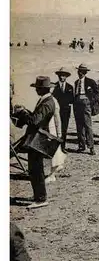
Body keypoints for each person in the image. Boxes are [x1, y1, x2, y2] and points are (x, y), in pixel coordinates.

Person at [12, 76, 56, 209]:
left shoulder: (47, 102)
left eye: (38, 88)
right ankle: (39, 196)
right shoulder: (46, 100)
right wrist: (26, 112)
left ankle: (41, 198)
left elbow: (34, 121)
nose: (36, 90)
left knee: (36, 169)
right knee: (35, 169)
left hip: (38, 139)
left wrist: (23, 113)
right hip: (37, 138)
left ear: (43, 89)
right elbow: (36, 118)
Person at [73, 64, 99, 155]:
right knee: (79, 125)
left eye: (82, 71)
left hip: (86, 103)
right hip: (77, 104)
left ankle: (91, 147)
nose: (80, 73)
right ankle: (81, 145)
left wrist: (90, 101)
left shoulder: (90, 81)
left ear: (85, 72)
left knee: (87, 125)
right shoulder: (76, 82)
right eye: (79, 71)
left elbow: (97, 93)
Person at [52, 67, 74, 153]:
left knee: (64, 129)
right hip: (57, 111)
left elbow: (72, 99)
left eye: (63, 76)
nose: (62, 77)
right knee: (56, 128)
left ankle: (62, 147)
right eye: (60, 75)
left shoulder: (70, 87)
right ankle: (55, 148)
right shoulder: (54, 86)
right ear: (58, 76)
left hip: (66, 111)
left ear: (66, 77)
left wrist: (65, 103)